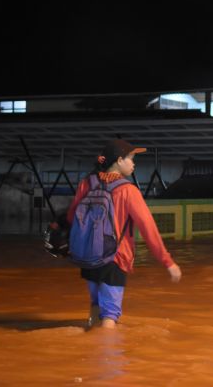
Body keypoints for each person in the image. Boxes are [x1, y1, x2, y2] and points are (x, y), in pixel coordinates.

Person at [62, 139, 182, 329]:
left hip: (88, 256)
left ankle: (89, 347)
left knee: (95, 306)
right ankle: (108, 355)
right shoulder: (128, 191)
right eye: (131, 158)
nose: (134, 163)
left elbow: (71, 217)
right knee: (110, 315)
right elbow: (148, 228)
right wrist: (168, 261)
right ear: (119, 161)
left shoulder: (86, 183)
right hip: (115, 259)